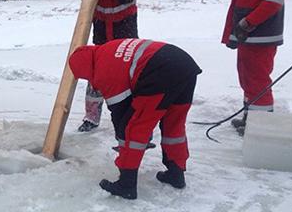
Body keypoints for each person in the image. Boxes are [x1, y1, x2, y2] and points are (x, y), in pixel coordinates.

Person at [69, 38, 202, 199]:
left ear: (85, 70)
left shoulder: (104, 72)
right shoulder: (106, 50)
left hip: (161, 70)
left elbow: (120, 112)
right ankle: (176, 173)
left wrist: (124, 142)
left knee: (132, 128)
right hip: (183, 64)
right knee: (173, 124)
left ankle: (126, 184)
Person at [221, 0, 286, 135]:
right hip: (248, 36)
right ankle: (251, 118)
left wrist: (248, 23)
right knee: (247, 78)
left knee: (257, 80)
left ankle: (261, 127)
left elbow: (273, 2)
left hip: (260, 37)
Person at [78, 0, 139, 132]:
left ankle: (133, 118)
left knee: (126, 79)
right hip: (102, 35)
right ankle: (91, 117)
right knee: (95, 78)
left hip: (124, 37)